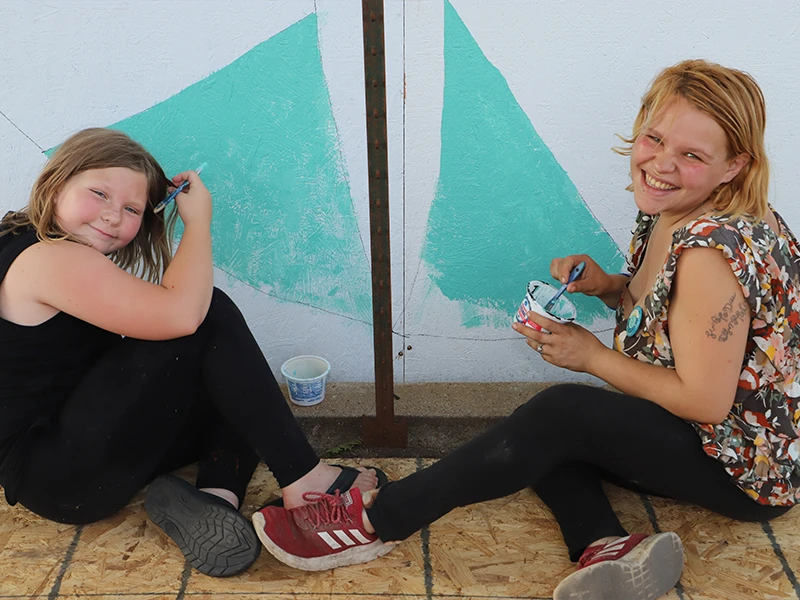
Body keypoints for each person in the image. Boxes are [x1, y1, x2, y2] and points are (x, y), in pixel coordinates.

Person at [253, 59, 799, 599]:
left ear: (735, 165)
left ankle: (373, 523)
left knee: (559, 416)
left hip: (743, 470)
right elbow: (670, 316)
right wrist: (610, 286)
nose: (662, 162)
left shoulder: (710, 253)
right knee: (537, 433)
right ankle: (607, 546)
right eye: (654, 138)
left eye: (692, 155)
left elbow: (705, 400)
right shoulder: (678, 206)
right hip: (723, 441)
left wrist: (590, 356)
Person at [0, 128, 386, 578]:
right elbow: (185, 315)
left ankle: (215, 500)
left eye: (130, 209)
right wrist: (198, 222)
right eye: (99, 193)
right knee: (208, 314)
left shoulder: (22, 238)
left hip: (73, 464)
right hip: (62, 472)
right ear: (55, 184)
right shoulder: (52, 259)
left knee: (232, 384)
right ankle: (307, 481)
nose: (111, 215)